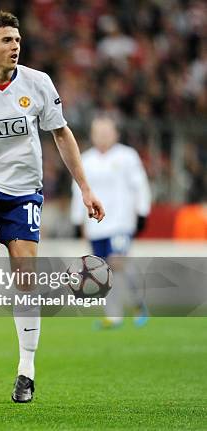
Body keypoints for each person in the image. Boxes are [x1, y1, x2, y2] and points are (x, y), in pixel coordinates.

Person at [0, 11, 105, 403]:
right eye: (7, 41)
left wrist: (85, 188)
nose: (15, 46)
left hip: (24, 193)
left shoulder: (38, 83)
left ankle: (26, 371)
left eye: (17, 40)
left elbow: (61, 134)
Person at [71, 115, 151, 329]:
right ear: (92, 135)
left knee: (118, 262)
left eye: (106, 132)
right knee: (103, 269)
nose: (102, 137)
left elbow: (140, 186)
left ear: (116, 134)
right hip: (96, 225)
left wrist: (142, 212)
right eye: (98, 133)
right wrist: (78, 220)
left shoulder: (127, 156)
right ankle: (114, 316)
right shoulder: (85, 160)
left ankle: (138, 304)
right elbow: (78, 191)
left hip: (121, 222)